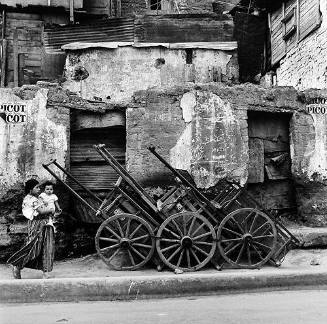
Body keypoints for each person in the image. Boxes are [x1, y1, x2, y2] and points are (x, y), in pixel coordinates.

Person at [7, 179, 56, 279]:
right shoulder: (31, 199)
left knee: (47, 247)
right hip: (37, 225)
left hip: (46, 223)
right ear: (30, 189)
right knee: (33, 246)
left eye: (39, 187)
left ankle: (46, 272)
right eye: (36, 187)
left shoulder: (36, 198)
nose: (39, 189)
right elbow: (42, 211)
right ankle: (17, 264)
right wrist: (51, 209)